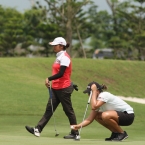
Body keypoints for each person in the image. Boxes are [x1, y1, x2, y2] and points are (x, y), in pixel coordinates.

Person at [25, 37, 79, 139]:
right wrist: (51, 82)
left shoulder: (65, 57)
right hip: (56, 87)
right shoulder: (58, 56)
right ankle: (38, 129)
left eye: (55, 45)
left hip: (64, 88)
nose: (53, 47)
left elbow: (61, 73)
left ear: (61, 46)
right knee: (49, 109)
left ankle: (75, 133)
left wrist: (48, 78)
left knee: (68, 110)